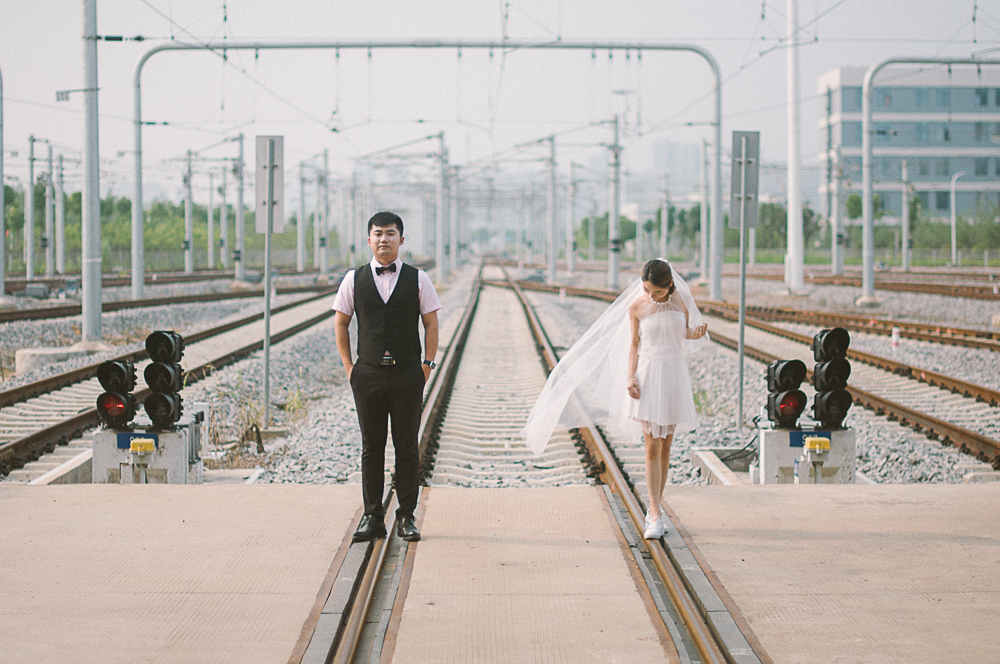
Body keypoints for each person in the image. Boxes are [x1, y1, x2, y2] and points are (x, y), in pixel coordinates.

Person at [520, 258, 708, 540]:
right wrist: (630, 377)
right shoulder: (637, 306)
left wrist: (695, 333)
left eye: (656, 291)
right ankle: (655, 513)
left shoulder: (680, 300)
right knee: (651, 446)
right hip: (648, 374)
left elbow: (680, 334)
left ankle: (656, 505)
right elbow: (634, 344)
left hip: (673, 375)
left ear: (669, 285)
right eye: (646, 289)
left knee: (666, 445)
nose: (650, 295)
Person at [333, 211, 441, 543]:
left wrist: (426, 365)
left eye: (390, 233)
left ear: (401, 240)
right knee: (372, 447)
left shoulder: (419, 278)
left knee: (407, 446)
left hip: (408, 374)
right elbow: (341, 323)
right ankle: (372, 516)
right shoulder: (353, 279)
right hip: (367, 376)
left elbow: (432, 324)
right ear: (369, 240)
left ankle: (407, 516)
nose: (384, 239)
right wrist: (350, 369)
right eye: (378, 233)